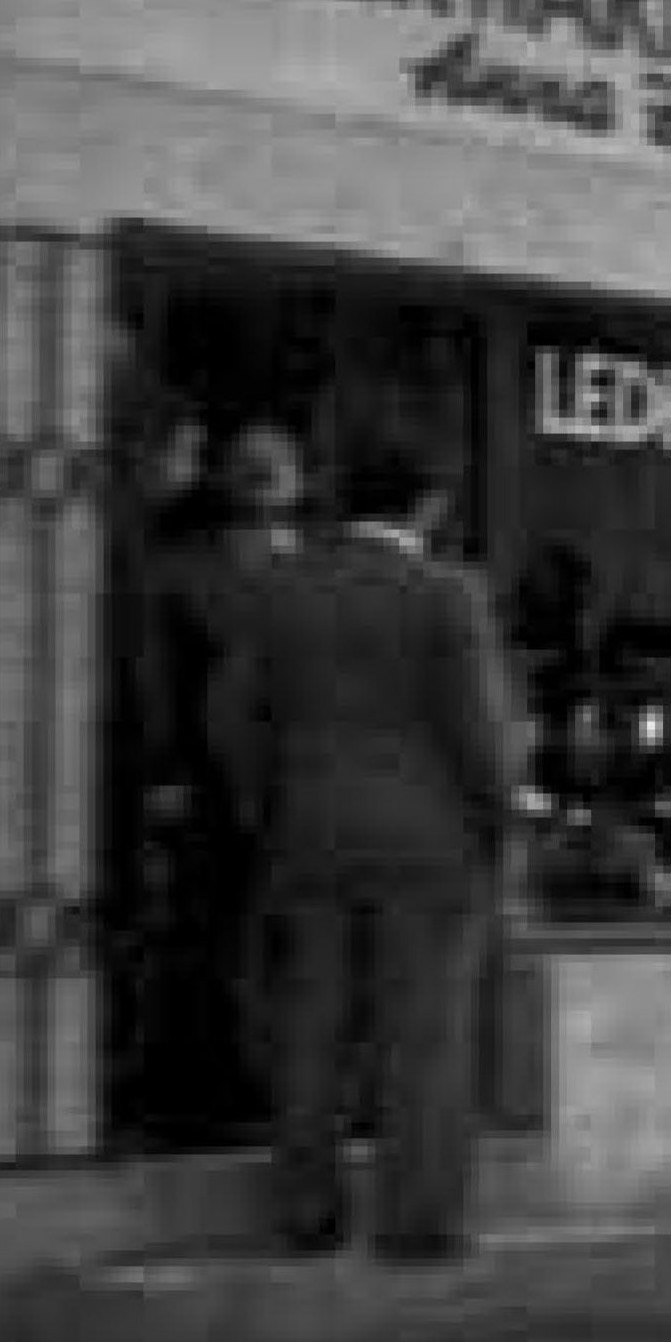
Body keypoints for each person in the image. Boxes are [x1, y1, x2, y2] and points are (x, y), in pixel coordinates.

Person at [206, 441, 518, 1262]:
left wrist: (268, 811)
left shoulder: (280, 589)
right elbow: (479, 733)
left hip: (309, 838)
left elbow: (230, 718)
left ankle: (308, 1215)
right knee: (424, 1037)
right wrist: (502, 823)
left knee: (313, 1029)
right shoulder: (448, 595)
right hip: (430, 846)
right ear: (429, 504)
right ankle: (417, 1225)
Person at [130, 415, 304, 1139]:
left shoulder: (303, 566)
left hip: (277, 786)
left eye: (277, 465)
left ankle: (245, 1075)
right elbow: (157, 680)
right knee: (213, 936)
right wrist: (166, 767)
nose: (268, 482)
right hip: (213, 785)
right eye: (252, 467)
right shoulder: (186, 570)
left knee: (251, 937)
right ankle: (214, 1080)